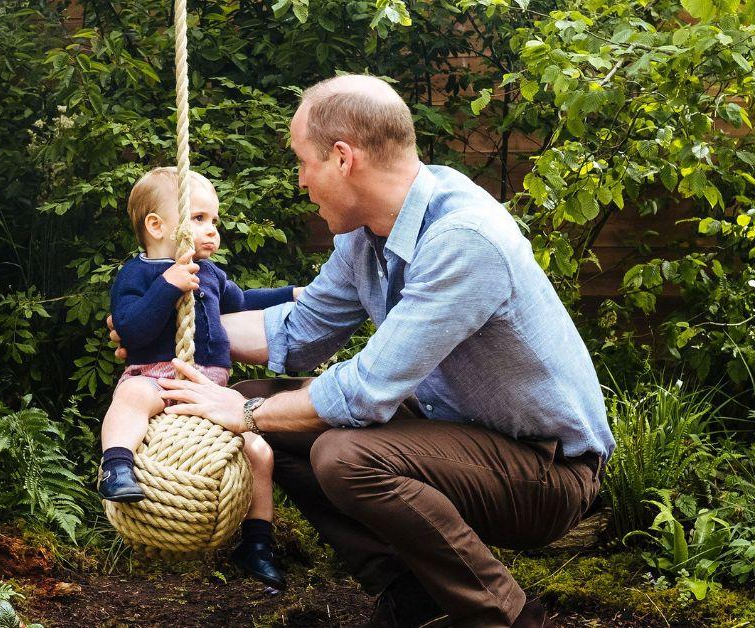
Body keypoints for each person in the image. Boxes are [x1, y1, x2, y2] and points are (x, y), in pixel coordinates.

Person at [112, 76, 617, 628]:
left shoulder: (463, 238)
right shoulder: (368, 236)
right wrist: (161, 330)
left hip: (545, 470)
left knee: (339, 453)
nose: (302, 181)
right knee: (254, 410)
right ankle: (412, 596)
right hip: (454, 437)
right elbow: (299, 332)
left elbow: (366, 390)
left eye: (304, 163)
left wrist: (247, 413)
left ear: (342, 158)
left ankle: (507, 617)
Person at [99, 166, 301, 590]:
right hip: (158, 378)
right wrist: (168, 286)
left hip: (211, 391)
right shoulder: (136, 275)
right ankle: (116, 466)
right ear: (156, 226)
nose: (212, 231)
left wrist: (293, 294)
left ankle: (257, 543)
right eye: (199, 219)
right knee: (132, 394)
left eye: (215, 221)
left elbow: (242, 302)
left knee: (259, 452)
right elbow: (132, 330)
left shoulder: (210, 273)